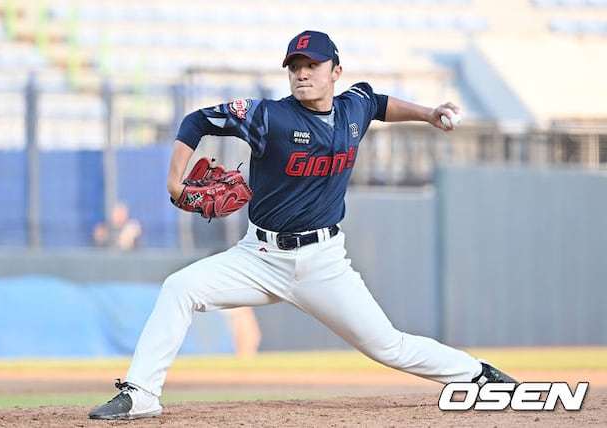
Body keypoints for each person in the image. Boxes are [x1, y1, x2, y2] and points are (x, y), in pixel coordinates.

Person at [88, 30, 517, 420]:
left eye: (312, 65)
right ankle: (142, 393)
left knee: (389, 346)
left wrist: (428, 114)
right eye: (294, 66)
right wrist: (174, 180)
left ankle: (476, 374)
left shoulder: (354, 107)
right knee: (179, 288)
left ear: (336, 72)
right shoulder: (269, 117)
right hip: (259, 257)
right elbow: (197, 120)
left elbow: (380, 104)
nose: (302, 73)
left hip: (323, 262)